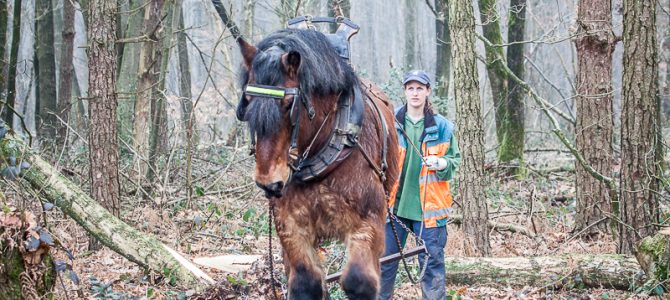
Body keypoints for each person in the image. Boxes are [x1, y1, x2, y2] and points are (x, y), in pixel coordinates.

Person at [380, 70, 461, 300]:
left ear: (428, 92)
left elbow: (454, 162)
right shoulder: (390, 123)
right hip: (394, 211)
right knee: (384, 265)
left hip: (430, 213)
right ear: (405, 91)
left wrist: (441, 161)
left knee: (432, 267)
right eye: (410, 88)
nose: (415, 93)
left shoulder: (443, 127)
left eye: (419, 88)